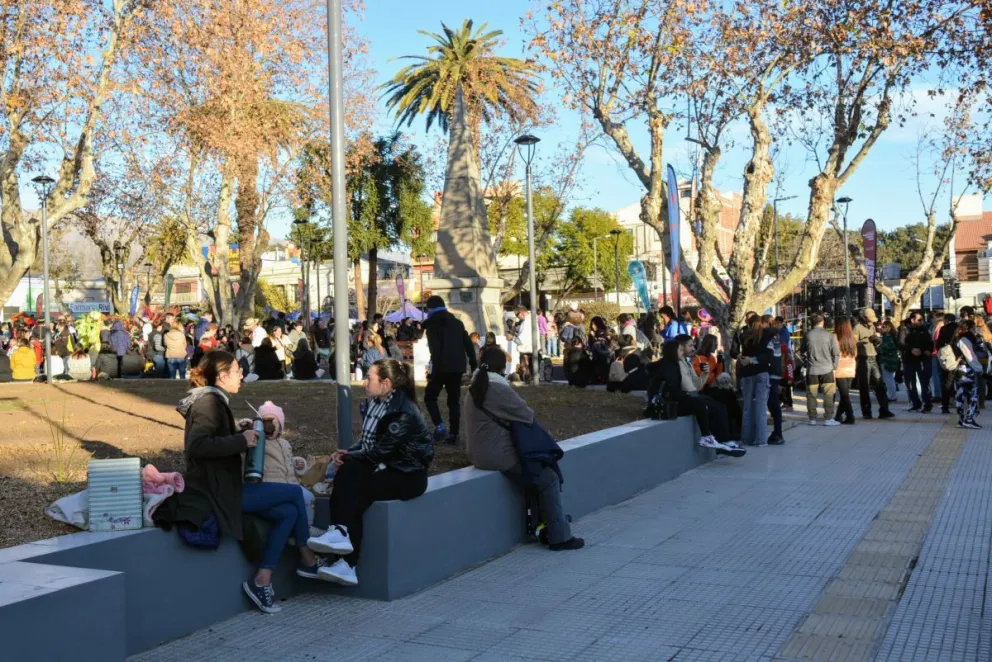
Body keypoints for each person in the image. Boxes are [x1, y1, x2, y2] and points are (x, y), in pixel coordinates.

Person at [166, 351, 321, 613]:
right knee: (294, 494)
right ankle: (309, 560)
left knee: (288, 512)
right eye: (238, 370)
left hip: (225, 487)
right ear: (222, 375)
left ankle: (262, 579)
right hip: (218, 493)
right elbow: (198, 446)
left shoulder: (213, 401)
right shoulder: (209, 403)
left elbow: (213, 441)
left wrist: (239, 433)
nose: (241, 375)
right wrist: (241, 440)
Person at [307, 359, 433, 585]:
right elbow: (368, 443)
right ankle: (344, 555)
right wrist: (347, 452)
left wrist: (348, 458)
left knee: (351, 483)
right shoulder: (376, 403)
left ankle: (344, 551)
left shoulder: (402, 412)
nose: (364, 383)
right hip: (385, 467)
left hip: (408, 475)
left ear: (385, 383)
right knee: (351, 482)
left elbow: (379, 452)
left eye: (369, 378)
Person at [464, 347, 584, 551]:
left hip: (478, 453)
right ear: (503, 367)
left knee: (536, 476)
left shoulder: (475, 386)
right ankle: (559, 536)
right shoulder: (497, 388)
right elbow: (527, 414)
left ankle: (548, 522)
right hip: (498, 455)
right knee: (548, 478)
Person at [647, 335, 745, 456]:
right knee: (707, 406)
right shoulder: (672, 365)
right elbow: (681, 388)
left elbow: (695, 386)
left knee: (721, 406)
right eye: (688, 346)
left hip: (689, 394)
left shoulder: (685, 362)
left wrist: (705, 374)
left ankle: (723, 440)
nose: (692, 348)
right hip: (679, 398)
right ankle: (717, 440)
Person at [422, 295, 477, 445]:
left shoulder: (432, 324)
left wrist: (433, 371)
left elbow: (435, 350)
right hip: (457, 366)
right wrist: (473, 365)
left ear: (430, 308)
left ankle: (440, 428)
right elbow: (469, 345)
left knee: (430, 396)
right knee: (454, 401)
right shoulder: (457, 323)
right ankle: (454, 434)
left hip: (441, 366)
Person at [738, 316, 775, 446]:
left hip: (747, 373)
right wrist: (754, 360)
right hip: (762, 372)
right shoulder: (767, 335)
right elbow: (769, 356)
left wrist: (748, 360)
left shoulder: (744, 336)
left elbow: (736, 353)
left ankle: (746, 439)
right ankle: (761, 440)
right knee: (761, 407)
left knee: (747, 407)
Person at [853, 309, 894, 419]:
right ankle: (866, 411)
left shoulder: (872, 327)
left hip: (873, 356)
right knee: (864, 386)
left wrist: (877, 340)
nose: (872, 322)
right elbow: (853, 343)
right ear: (864, 318)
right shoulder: (857, 328)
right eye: (870, 320)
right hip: (863, 358)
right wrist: (865, 341)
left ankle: (884, 410)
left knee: (880, 384)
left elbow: (876, 342)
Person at [800, 314, 840, 426]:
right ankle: (828, 418)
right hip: (827, 368)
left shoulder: (808, 335)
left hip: (812, 369)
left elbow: (802, 350)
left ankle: (812, 418)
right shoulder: (830, 335)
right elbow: (836, 353)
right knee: (828, 394)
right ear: (822, 322)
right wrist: (834, 366)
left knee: (811, 394)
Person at [899, 311, 934, 412]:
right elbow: (901, 342)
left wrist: (927, 350)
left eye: (922, 319)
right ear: (912, 320)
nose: (921, 321)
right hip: (909, 359)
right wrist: (911, 349)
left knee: (924, 382)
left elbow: (929, 342)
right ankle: (915, 403)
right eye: (919, 320)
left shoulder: (924, 329)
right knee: (910, 383)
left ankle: (927, 404)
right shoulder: (904, 329)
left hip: (922, 359)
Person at [952, 319, 982, 429]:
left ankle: (960, 420)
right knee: (973, 395)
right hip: (968, 370)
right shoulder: (967, 339)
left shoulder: (956, 337)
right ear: (969, 328)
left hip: (958, 370)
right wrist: (979, 368)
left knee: (960, 396)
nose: (975, 331)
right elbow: (970, 356)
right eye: (974, 328)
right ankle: (969, 419)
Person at [834, 317, 858, 425]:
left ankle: (850, 416)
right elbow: (855, 354)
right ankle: (838, 416)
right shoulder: (853, 338)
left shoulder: (835, 338)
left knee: (844, 395)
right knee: (845, 394)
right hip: (851, 368)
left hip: (840, 369)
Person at [935, 314, 959, 414]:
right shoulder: (959, 327)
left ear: (947, 319)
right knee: (961, 381)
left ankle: (945, 406)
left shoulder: (944, 329)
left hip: (948, 358)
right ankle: (963, 403)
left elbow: (938, 344)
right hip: (960, 357)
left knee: (947, 382)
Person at [878, 321, 901, 403]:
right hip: (892, 360)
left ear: (889, 328)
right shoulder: (892, 336)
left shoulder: (888, 337)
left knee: (888, 379)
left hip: (887, 361)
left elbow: (882, 349)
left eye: (884, 327)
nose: (881, 328)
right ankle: (891, 395)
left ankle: (891, 396)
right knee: (890, 378)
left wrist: (876, 346)